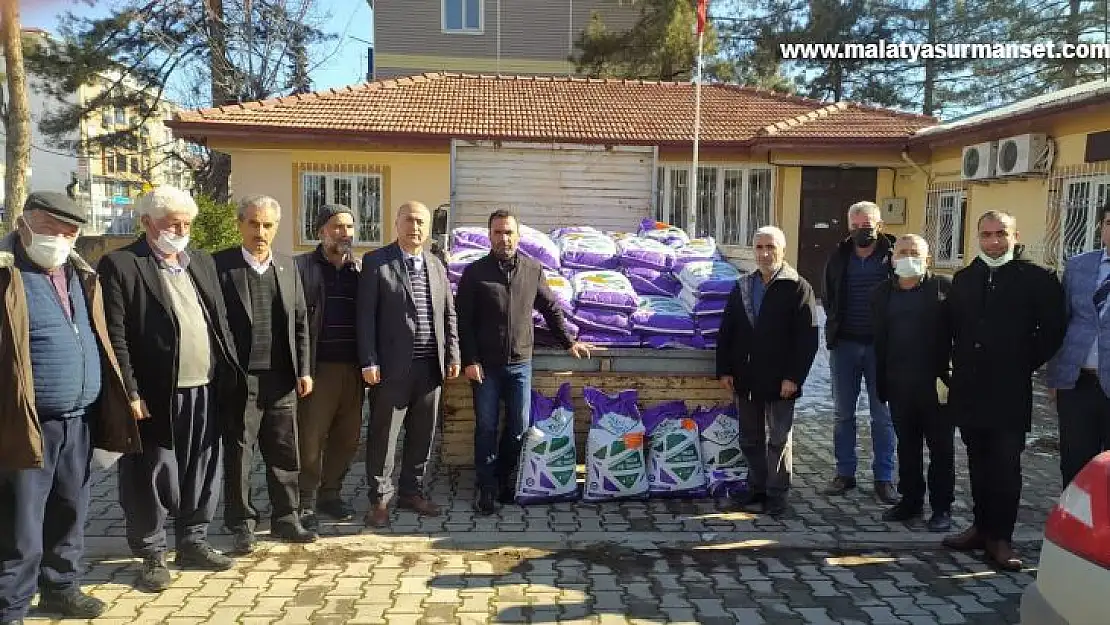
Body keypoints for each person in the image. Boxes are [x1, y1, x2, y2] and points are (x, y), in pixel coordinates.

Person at [0, 192, 141, 623]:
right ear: (24, 224)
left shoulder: (79, 275)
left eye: (70, 231)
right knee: (21, 525)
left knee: (70, 511)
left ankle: (61, 588)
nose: (61, 238)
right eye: (51, 228)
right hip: (25, 423)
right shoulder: (5, 275)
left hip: (78, 419)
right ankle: (11, 608)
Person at [98, 186, 243, 592]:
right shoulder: (122, 264)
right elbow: (116, 334)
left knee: (202, 467)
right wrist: (130, 391)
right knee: (153, 472)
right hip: (156, 392)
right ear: (146, 222)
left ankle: (194, 540)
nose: (181, 230)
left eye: (186, 223)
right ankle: (151, 553)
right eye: (172, 223)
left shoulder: (201, 261)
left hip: (206, 386)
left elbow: (220, 321)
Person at [943, 210, 1065, 570]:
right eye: (986, 234)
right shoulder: (965, 279)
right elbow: (952, 329)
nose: (993, 241)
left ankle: (1001, 539)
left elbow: (1053, 330)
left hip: (1009, 389)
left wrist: (1020, 361)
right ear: (977, 237)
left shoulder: (1037, 278)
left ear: (1014, 235)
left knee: (1005, 467)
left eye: (1001, 234)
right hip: (969, 388)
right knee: (978, 463)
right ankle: (980, 528)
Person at [455, 209, 593, 514]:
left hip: (520, 364)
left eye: (508, 233)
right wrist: (470, 359)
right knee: (487, 427)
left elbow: (550, 308)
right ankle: (487, 487)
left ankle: (504, 477)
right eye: (497, 233)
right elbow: (462, 321)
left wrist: (569, 341)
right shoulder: (475, 273)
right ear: (489, 236)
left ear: (518, 236)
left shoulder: (532, 269)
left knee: (517, 428)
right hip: (485, 367)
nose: (503, 238)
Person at [214, 195, 316, 553]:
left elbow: (301, 322)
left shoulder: (288, 267)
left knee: (285, 452)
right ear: (241, 225)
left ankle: (286, 518)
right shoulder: (220, 267)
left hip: (282, 378)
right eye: (254, 224)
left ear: (276, 228)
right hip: (241, 379)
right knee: (240, 452)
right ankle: (242, 523)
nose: (261, 232)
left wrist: (304, 369)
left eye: (268, 225)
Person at [358, 201, 460, 528]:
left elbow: (449, 315)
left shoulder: (436, 265)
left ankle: (411, 492)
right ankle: (379, 500)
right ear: (397, 224)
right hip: (390, 369)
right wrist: (369, 360)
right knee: (384, 436)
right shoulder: (377, 262)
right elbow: (365, 318)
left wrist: (453, 355)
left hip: (430, 368)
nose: (415, 228)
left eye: (421, 222)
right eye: (409, 221)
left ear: (428, 228)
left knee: (422, 435)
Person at [717, 226, 818, 517]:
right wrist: (724, 368)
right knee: (749, 437)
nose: (764, 253)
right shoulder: (743, 285)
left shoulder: (797, 286)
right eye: (759, 247)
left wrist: (794, 377)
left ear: (782, 250)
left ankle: (776, 493)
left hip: (780, 378)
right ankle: (756, 486)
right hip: (747, 375)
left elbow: (807, 339)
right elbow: (728, 330)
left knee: (778, 438)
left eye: (770, 247)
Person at [871, 234, 955, 532]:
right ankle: (910, 501)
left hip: (936, 387)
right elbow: (879, 340)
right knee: (907, 446)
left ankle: (942, 507)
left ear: (927, 258)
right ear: (893, 259)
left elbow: (959, 335)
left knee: (941, 448)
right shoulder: (882, 293)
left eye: (914, 252)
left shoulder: (944, 288)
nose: (908, 257)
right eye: (902, 252)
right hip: (898, 384)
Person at [821, 200, 898, 504]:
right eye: (856, 226)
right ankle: (845, 474)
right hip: (845, 346)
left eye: (867, 226)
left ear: (879, 226)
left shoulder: (893, 257)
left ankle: (884, 478)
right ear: (848, 227)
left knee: (882, 417)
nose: (861, 231)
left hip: (882, 348)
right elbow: (827, 295)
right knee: (843, 414)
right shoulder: (839, 257)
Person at [294, 205, 364, 530]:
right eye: (337, 227)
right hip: (317, 368)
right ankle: (304, 501)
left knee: (347, 439)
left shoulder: (361, 271)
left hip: (354, 369)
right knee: (310, 438)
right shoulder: (302, 268)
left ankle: (331, 493)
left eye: (349, 227)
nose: (344, 233)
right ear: (321, 230)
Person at [1047, 204, 1110, 488]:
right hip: (1077, 383)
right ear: (1101, 227)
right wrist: (1055, 376)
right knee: (1074, 462)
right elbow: (1061, 321)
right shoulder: (1078, 265)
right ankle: (1074, 527)